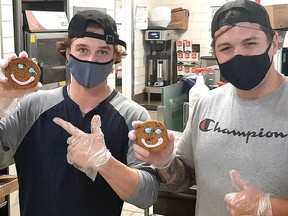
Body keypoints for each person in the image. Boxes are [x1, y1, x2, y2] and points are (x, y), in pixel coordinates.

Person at [129, 1, 288, 215]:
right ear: (215, 52)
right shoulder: (206, 104)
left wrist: (272, 208)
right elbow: (184, 183)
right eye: (226, 48)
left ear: (274, 43)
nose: (238, 55)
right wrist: (165, 162)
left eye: (250, 43)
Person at [0, 10, 160, 216]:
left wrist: (104, 162)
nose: (91, 59)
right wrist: (2, 100)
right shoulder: (32, 108)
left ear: (114, 58)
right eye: (82, 49)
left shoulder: (132, 116)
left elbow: (147, 195)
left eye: (102, 52)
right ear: (68, 53)